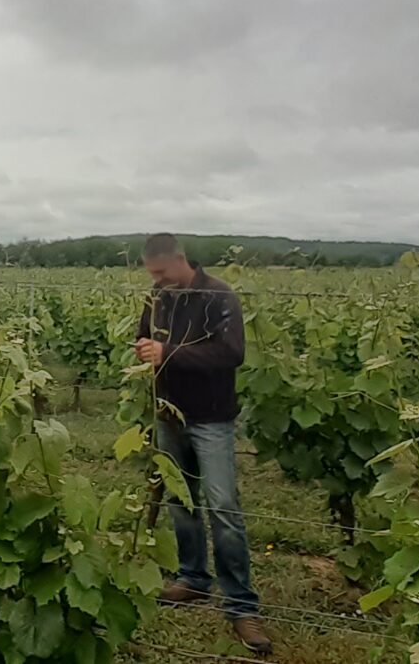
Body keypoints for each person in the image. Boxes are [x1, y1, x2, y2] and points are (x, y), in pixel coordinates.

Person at [134, 233, 272, 655]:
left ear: (180, 260)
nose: (155, 280)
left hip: (211, 419)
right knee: (182, 500)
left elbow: (231, 353)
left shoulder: (219, 296)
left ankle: (242, 606)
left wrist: (168, 352)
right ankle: (193, 579)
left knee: (223, 506)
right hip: (167, 414)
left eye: (160, 272)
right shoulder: (157, 297)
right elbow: (145, 340)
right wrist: (143, 350)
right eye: (151, 274)